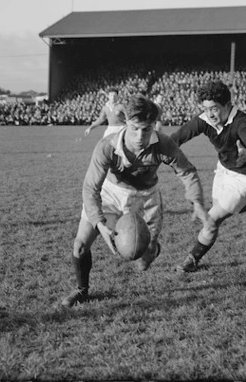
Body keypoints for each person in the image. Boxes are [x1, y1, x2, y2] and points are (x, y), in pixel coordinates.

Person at [61, 95, 207, 308]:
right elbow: (90, 188)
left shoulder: (164, 144)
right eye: (134, 128)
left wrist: (197, 202)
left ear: (154, 126)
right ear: (126, 122)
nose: (140, 136)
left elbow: (187, 173)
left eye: (146, 129)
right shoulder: (107, 147)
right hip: (110, 194)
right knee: (80, 245)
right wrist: (100, 224)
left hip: (146, 198)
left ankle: (153, 249)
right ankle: (81, 290)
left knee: (143, 260)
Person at [170, 80, 246, 273]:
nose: (210, 114)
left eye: (215, 109)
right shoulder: (205, 120)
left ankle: (192, 259)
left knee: (212, 219)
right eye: (206, 109)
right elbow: (180, 136)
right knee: (221, 207)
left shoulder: (242, 122)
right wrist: (158, 150)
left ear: (228, 105)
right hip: (225, 169)